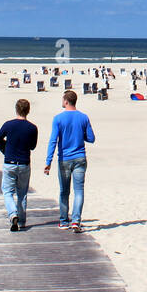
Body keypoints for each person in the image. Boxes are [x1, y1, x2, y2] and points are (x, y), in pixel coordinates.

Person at [43, 90, 94, 232]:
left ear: (66, 101)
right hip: (80, 158)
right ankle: (76, 221)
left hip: (65, 159)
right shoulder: (83, 117)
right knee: (79, 191)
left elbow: (53, 141)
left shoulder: (58, 119)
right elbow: (91, 138)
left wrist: (48, 161)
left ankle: (64, 220)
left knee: (64, 191)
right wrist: (79, 133)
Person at [0, 99, 39, 231]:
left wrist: (7, 147)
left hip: (10, 162)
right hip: (24, 163)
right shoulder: (32, 127)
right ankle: (21, 221)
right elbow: (32, 146)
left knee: (7, 191)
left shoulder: (9, 125)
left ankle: (13, 213)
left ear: (16, 109)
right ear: (28, 110)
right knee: (22, 193)